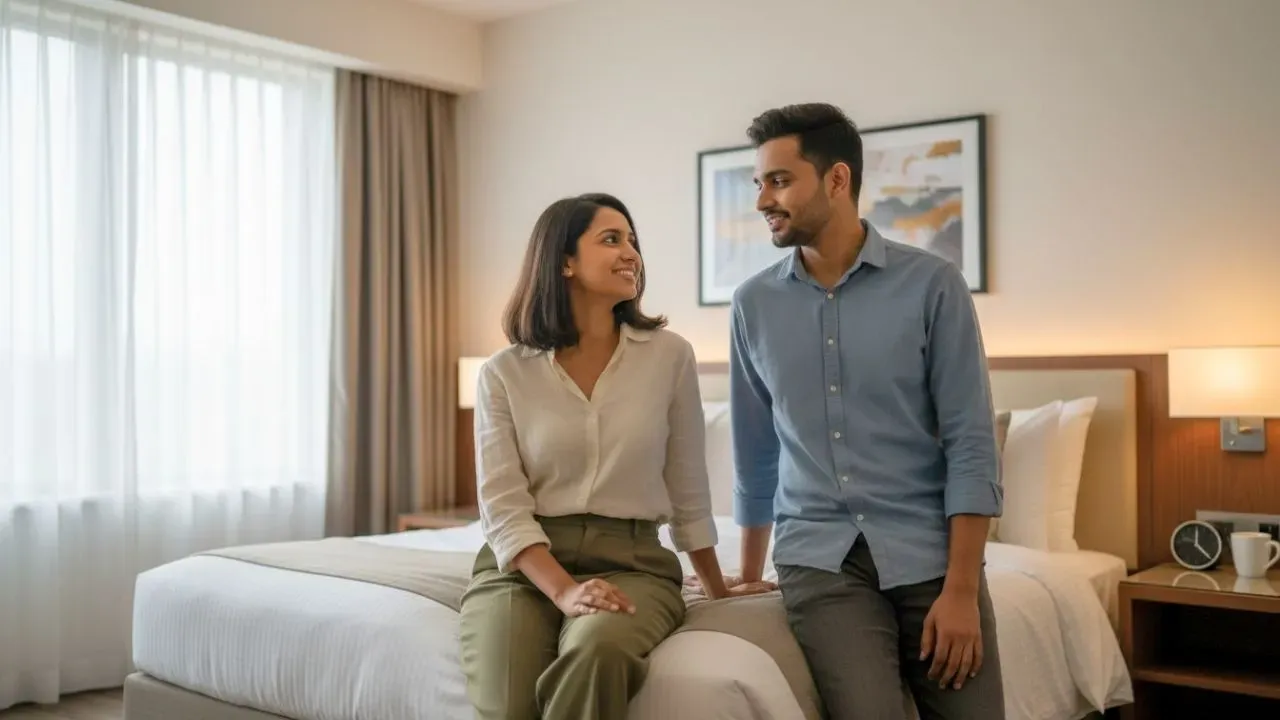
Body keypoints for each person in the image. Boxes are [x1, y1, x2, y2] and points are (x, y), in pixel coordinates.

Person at [727, 103, 1006, 720]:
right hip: (819, 562)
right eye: (758, 184)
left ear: (836, 180)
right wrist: (744, 574)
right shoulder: (753, 305)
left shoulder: (933, 285)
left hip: (930, 554)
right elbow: (755, 453)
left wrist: (962, 591)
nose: (762, 201)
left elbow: (971, 444)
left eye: (778, 181)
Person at [457, 192, 775, 720]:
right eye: (612, 239)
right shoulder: (503, 372)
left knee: (596, 649)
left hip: (633, 564)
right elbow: (503, 508)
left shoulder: (670, 356)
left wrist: (717, 588)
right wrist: (565, 593)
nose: (632, 252)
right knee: (508, 697)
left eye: (633, 241)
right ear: (564, 261)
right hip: (524, 569)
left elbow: (687, 487)